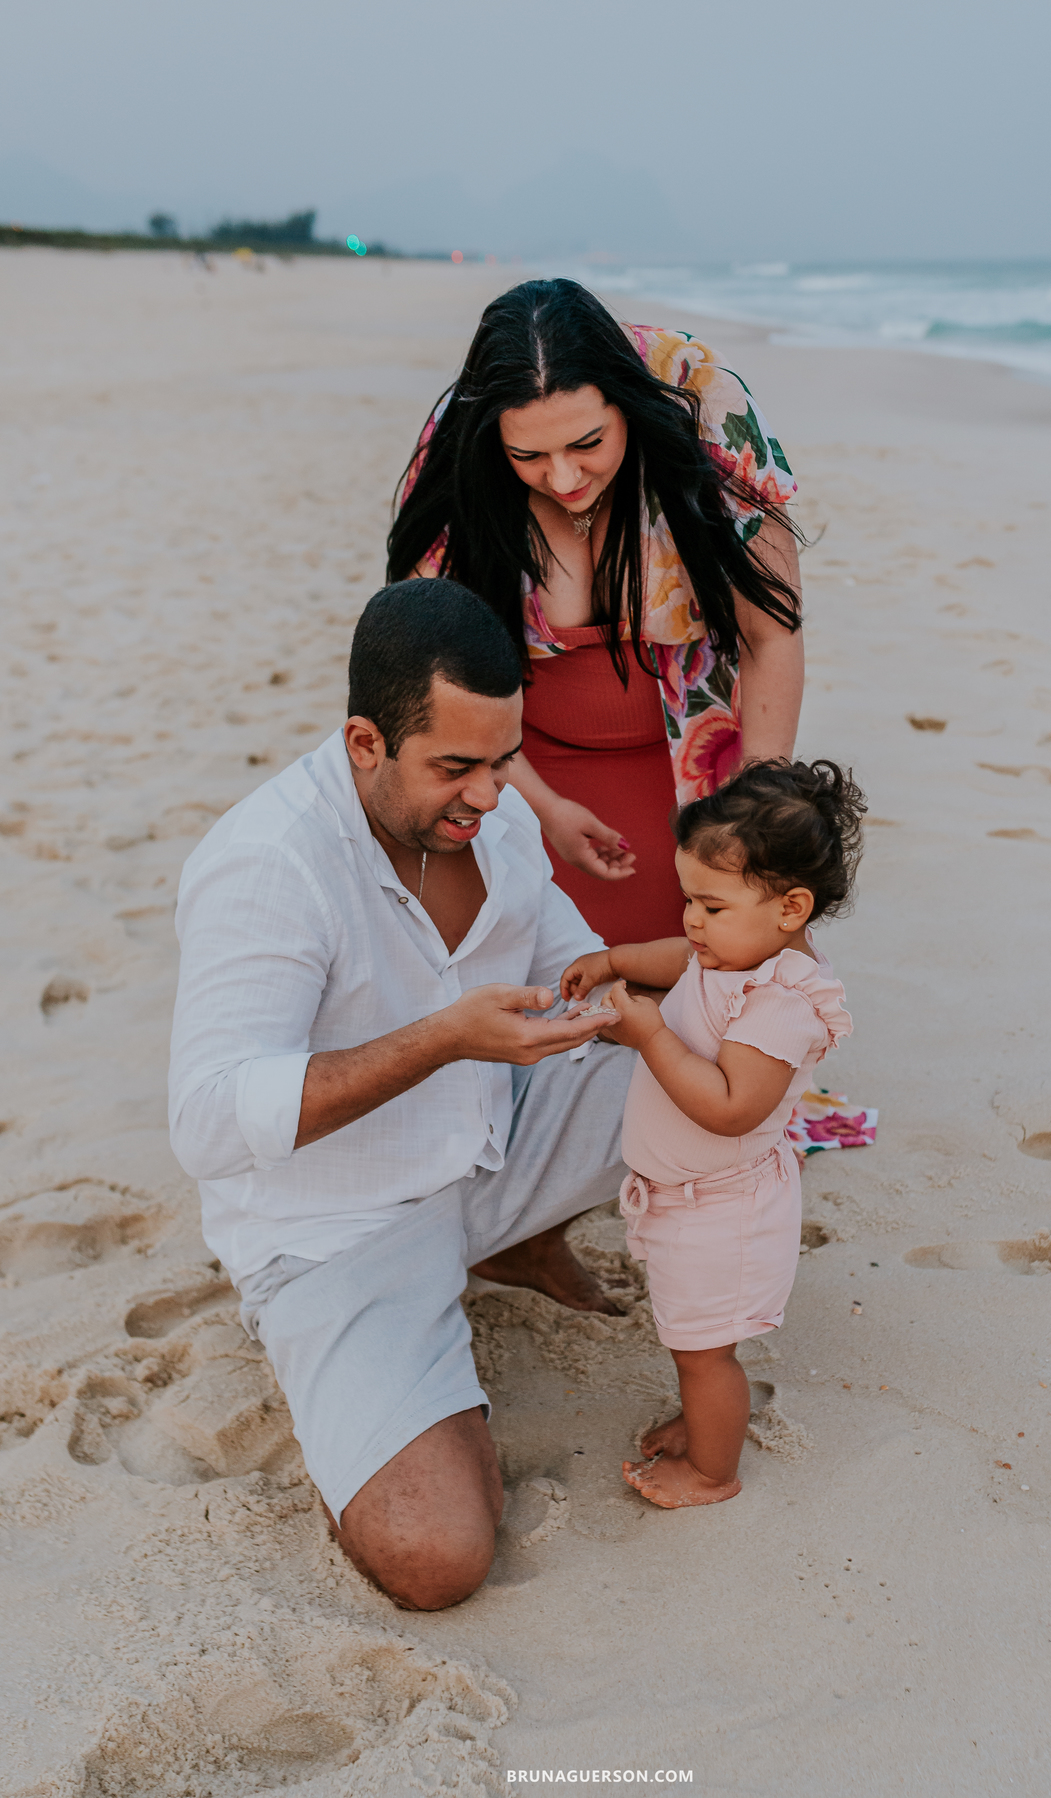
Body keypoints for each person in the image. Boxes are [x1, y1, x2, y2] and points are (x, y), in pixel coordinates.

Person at [168, 578, 634, 1611]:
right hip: (334, 1229)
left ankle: (508, 1241)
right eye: (455, 767)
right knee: (437, 1555)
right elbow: (206, 1118)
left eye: (506, 758)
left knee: (714, 1058)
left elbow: (574, 963)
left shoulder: (497, 822)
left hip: (487, 1145)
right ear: (365, 742)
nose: (488, 795)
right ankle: (381, 1374)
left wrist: (620, 997)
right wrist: (441, 1039)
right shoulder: (268, 863)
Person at [385, 277, 805, 945]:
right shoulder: (461, 448)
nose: (564, 478)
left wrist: (759, 803)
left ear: (629, 407)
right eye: (528, 455)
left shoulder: (706, 408)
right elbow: (438, 673)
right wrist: (545, 809)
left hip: (697, 775)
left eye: (587, 444)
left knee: (739, 996)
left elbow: (770, 631)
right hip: (512, 779)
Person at [558, 758, 864, 1509]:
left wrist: (648, 1035)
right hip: (685, 1198)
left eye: (711, 906)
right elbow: (682, 962)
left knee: (706, 1354)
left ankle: (712, 1473)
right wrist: (615, 960)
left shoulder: (782, 1004)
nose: (692, 922)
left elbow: (733, 1108)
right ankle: (703, 1418)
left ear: (791, 908)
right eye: (688, 899)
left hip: (722, 1209)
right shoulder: (732, 950)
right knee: (690, 1341)